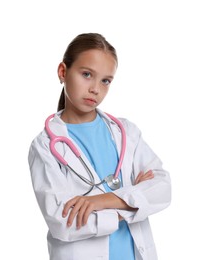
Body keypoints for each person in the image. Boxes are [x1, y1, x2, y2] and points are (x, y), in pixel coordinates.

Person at [28, 33, 171, 260]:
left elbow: (162, 188)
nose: (95, 88)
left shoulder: (125, 132)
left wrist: (100, 202)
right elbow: (63, 222)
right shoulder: (45, 145)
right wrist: (134, 203)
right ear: (63, 72)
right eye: (86, 74)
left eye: (105, 80)